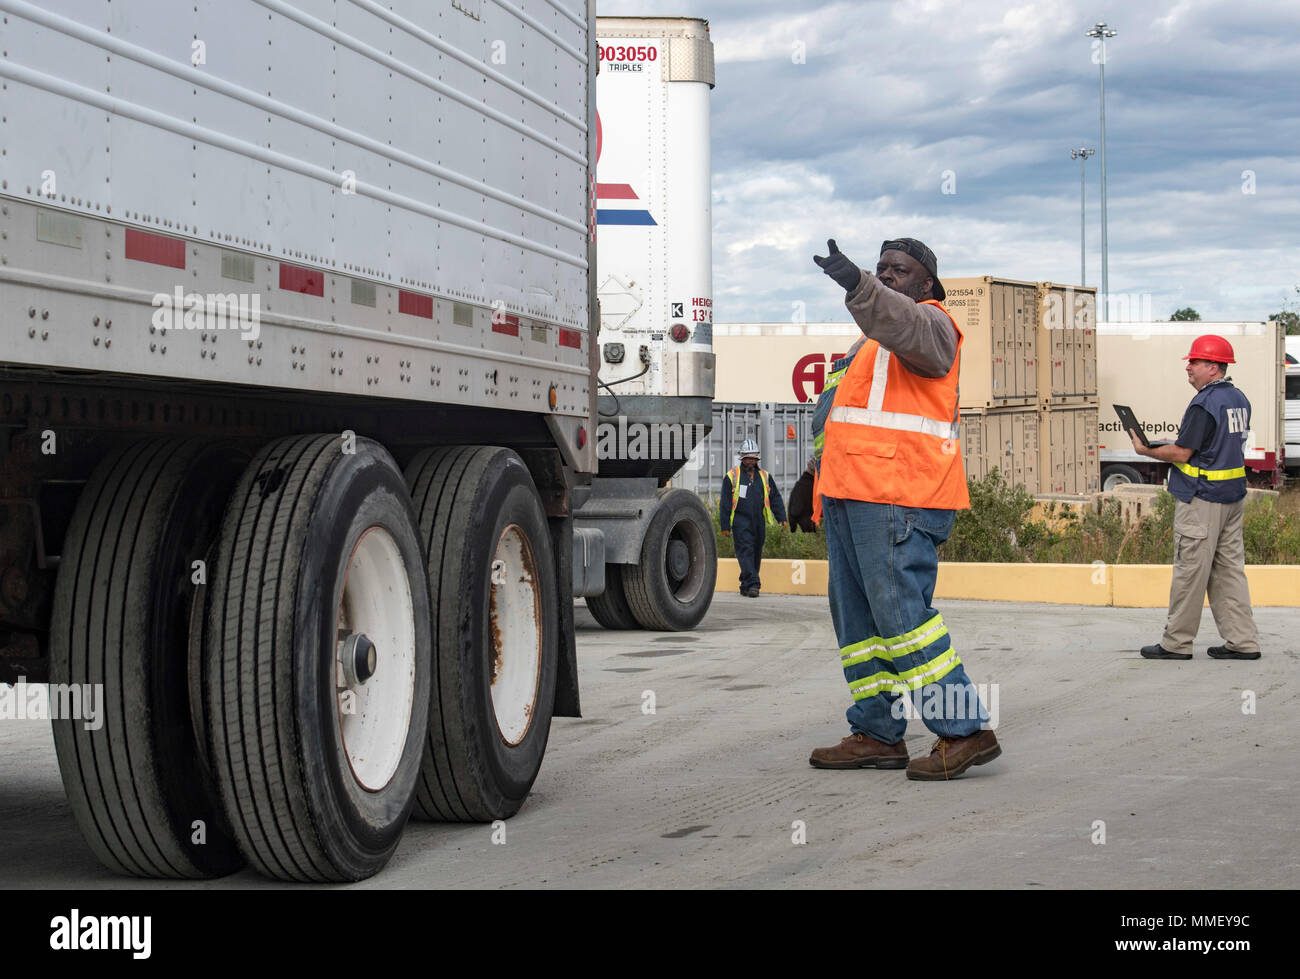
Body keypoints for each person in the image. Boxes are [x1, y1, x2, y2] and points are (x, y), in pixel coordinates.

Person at [807, 238, 1001, 781]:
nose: (888, 275)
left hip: (899, 497)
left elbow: (906, 325)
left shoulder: (933, 325)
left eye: (901, 270)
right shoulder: (869, 344)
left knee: (903, 620)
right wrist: (810, 479)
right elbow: (836, 415)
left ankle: (966, 731)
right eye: (881, 267)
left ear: (925, 287)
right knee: (860, 623)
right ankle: (878, 732)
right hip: (851, 495)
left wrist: (858, 284)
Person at [1127, 335, 1261, 661]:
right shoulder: (1238, 398)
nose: (1188, 367)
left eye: (1194, 362)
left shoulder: (1204, 403)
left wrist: (1146, 449)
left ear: (1213, 367)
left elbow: (1184, 452)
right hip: (1232, 498)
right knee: (1229, 572)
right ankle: (1243, 642)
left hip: (1202, 501)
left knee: (1190, 572)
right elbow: (1215, 446)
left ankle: (1176, 643)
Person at [719, 440, 787, 597]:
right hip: (740, 522)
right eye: (747, 458)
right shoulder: (731, 476)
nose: (750, 461)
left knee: (756, 552)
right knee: (745, 551)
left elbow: (775, 497)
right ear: (741, 459)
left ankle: (745, 584)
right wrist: (724, 525)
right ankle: (754, 584)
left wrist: (781, 517)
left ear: (757, 459)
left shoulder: (764, 476)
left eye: (753, 458)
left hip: (759, 522)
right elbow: (725, 503)